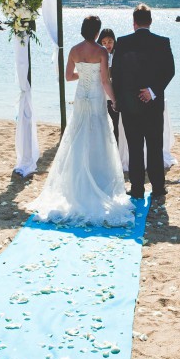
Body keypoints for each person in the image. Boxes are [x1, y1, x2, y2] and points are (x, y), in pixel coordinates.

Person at [28, 16, 135, 227]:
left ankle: (74, 184)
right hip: (95, 97)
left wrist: (84, 74)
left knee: (78, 135)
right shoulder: (102, 52)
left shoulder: (74, 50)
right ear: (96, 32)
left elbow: (68, 76)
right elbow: (105, 80)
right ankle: (97, 180)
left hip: (80, 97)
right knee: (97, 136)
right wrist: (114, 100)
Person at [112, 4, 175, 201]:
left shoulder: (122, 42)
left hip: (130, 106)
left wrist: (121, 100)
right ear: (150, 21)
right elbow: (169, 71)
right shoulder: (162, 42)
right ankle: (158, 189)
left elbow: (117, 74)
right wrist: (152, 91)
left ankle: (137, 188)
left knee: (135, 148)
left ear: (134, 23)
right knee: (155, 147)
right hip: (153, 105)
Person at [98, 28, 120, 143]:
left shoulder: (117, 55)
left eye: (110, 41)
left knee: (115, 124)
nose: (107, 45)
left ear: (114, 41)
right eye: (104, 42)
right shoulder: (97, 56)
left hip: (113, 93)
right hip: (101, 93)